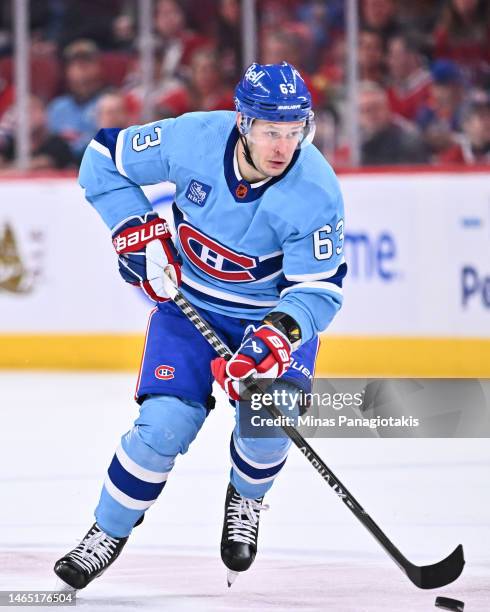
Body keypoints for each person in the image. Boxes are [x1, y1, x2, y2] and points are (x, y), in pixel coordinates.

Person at [53, 61, 346, 590]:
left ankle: (247, 498)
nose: (283, 146)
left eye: (294, 131)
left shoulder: (316, 191)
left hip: (266, 321)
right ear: (242, 122)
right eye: (270, 131)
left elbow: (318, 291)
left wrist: (274, 340)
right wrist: (135, 230)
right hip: (191, 308)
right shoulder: (193, 138)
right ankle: (106, 531)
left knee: (266, 424)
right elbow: (102, 158)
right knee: (161, 428)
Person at [47, 39, 106, 162]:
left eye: (87, 62)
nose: (81, 69)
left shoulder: (108, 103)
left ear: (98, 67)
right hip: (61, 172)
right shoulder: (58, 107)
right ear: (66, 71)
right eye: (75, 64)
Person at [359, 80, 428, 165]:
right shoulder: (354, 144)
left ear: (387, 109)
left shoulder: (408, 142)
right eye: (365, 110)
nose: (372, 114)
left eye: (376, 108)